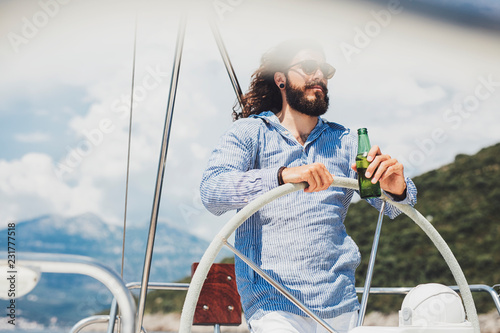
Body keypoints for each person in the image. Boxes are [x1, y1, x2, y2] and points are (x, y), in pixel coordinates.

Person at [200, 39, 417, 333]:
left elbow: (394, 210)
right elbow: (212, 191)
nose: (320, 77)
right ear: (281, 79)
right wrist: (281, 176)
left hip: (341, 304)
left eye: (325, 70)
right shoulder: (249, 133)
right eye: (310, 67)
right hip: (274, 305)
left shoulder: (345, 141)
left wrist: (396, 188)